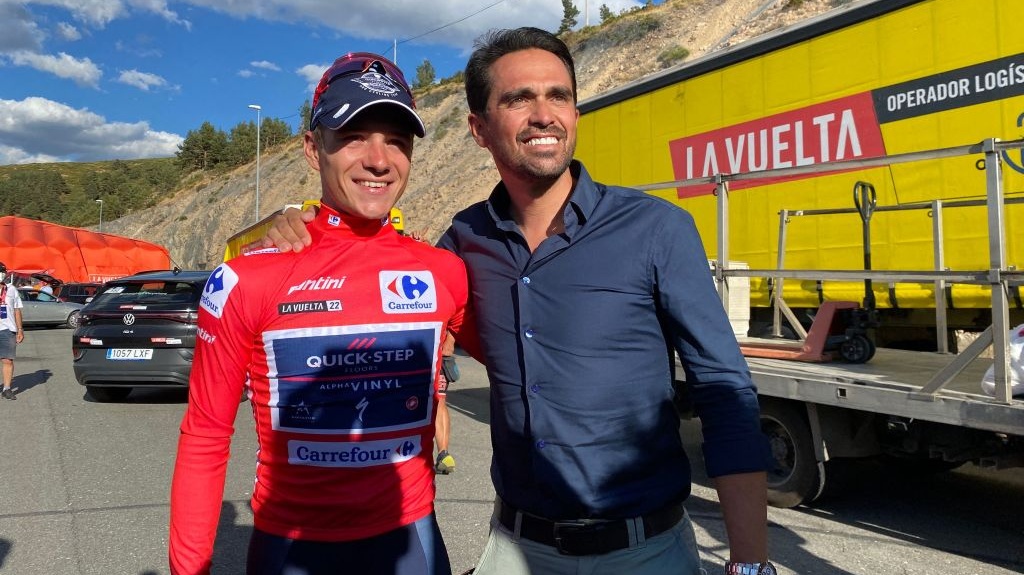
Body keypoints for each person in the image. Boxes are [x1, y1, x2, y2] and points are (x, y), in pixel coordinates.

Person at [266, 28, 776, 575]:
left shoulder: (656, 229)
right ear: (479, 129)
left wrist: (750, 563)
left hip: (646, 553)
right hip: (513, 549)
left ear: (575, 112)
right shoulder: (463, 242)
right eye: (518, 99)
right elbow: (370, 274)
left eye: (558, 96)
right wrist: (298, 225)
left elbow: (724, 392)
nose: (543, 115)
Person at [169, 51, 476, 575]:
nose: (379, 159)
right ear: (313, 149)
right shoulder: (247, 277)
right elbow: (205, 436)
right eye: (354, 136)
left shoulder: (444, 270)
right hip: (291, 549)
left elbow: (525, 371)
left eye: (397, 140)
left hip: (412, 542)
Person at [434, 333, 458, 474]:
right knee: (440, 401)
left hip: (437, 352)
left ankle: (443, 455)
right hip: (439, 350)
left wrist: (450, 340)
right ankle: (443, 455)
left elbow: (457, 322)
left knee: (438, 401)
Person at [0, 263, 25, 401]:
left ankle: (7, 389)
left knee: (7, 360)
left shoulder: (11, 289)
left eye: (2, 271)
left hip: (7, 329)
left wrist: (20, 329)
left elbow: (16, 310)